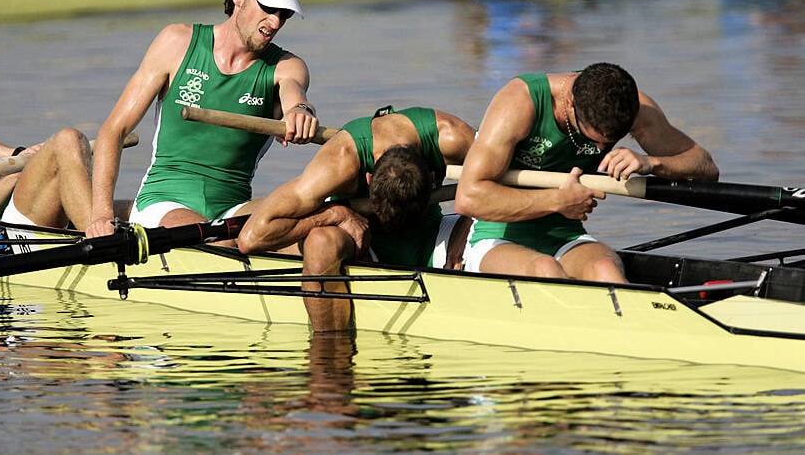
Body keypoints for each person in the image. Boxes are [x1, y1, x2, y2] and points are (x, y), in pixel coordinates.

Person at [86, 0, 319, 239]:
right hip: (164, 203)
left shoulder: (286, 66)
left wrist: (300, 112)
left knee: (313, 215)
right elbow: (114, 130)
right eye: (268, 7)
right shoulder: (177, 42)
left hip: (233, 209)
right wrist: (101, 216)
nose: (275, 22)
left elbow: (295, 94)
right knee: (215, 238)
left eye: (284, 13)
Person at [455, 62, 719, 283]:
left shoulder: (633, 106)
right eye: (592, 138)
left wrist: (652, 163)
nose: (600, 148)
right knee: (545, 271)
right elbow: (468, 198)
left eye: (612, 140)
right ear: (569, 103)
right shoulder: (519, 102)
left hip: (564, 234)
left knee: (607, 270)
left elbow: (705, 167)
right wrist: (557, 201)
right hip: (496, 236)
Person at [237, 106, 476, 332]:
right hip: (365, 246)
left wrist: (468, 220)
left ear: (432, 176)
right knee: (321, 242)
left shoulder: (451, 136)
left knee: (500, 222)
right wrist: (336, 213)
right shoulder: (339, 161)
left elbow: (509, 176)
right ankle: (330, 356)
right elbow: (252, 238)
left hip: (430, 234)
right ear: (368, 179)